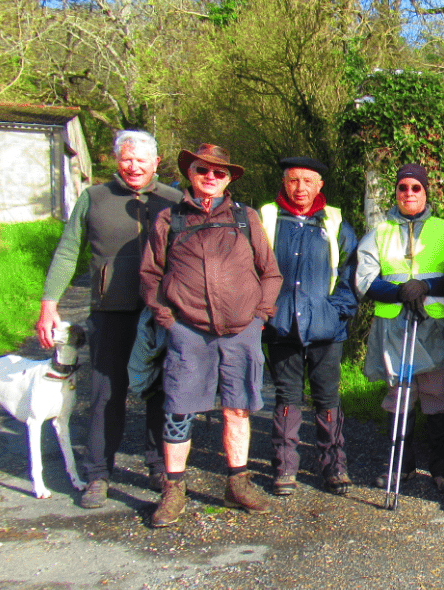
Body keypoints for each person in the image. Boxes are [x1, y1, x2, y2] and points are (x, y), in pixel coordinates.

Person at [139, 144, 283, 527]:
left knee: (237, 407)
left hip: (241, 331)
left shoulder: (244, 217)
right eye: (204, 170)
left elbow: (271, 272)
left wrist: (260, 315)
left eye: (219, 173)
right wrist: (165, 316)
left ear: (228, 179)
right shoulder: (170, 219)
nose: (211, 178)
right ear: (191, 173)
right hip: (188, 331)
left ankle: (237, 482)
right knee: (179, 409)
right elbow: (150, 274)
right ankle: (174, 489)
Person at [37, 130, 181, 509]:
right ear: (118, 161)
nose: (134, 167)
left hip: (158, 312)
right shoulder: (95, 198)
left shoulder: (174, 199)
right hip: (110, 311)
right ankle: (98, 473)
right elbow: (68, 251)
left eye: (141, 160)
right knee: (105, 393)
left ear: (156, 162)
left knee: (159, 390)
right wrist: (49, 302)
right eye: (127, 159)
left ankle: (160, 467)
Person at [357, 163, 444, 494]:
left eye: (415, 188)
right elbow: (363, 279)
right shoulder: (379, 232)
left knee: (439, 399)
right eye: (403, 187)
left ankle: (443, 470)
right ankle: (399, 469)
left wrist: (426, 286)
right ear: (396, 192)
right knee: (399, 399)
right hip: (395, 329)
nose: (409, 194)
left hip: (436, 329)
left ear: (426, 191)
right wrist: (400, 291)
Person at [261, 157, 359, 497]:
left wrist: (337, 313)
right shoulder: (267, 220)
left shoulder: (335, 223)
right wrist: (263, 313)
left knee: (327, 398)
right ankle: (285, 468)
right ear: (284, 183)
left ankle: (334, 467)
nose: (300, 188)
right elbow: (251, 270)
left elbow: (351, 273)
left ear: (320, 186)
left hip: (325, 328)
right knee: (287, 397)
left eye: (307, 181)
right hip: (281, 325)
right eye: (293, 180)